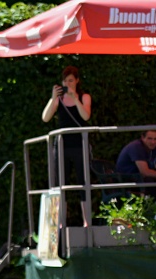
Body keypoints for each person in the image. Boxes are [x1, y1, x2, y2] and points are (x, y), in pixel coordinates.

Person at [41, 66, 92, 225]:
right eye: (65, 80)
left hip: (79, 144)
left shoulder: (84, 97)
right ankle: (60, 222)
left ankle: (86, 222)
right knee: (60, 183)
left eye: (71, 80)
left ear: (77, 81)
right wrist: (52, 98)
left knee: (84, 182)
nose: (68, 83)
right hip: (62, 145)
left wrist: (74, 98)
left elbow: (85, 116)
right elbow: (45, 118)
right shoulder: (59, 99)